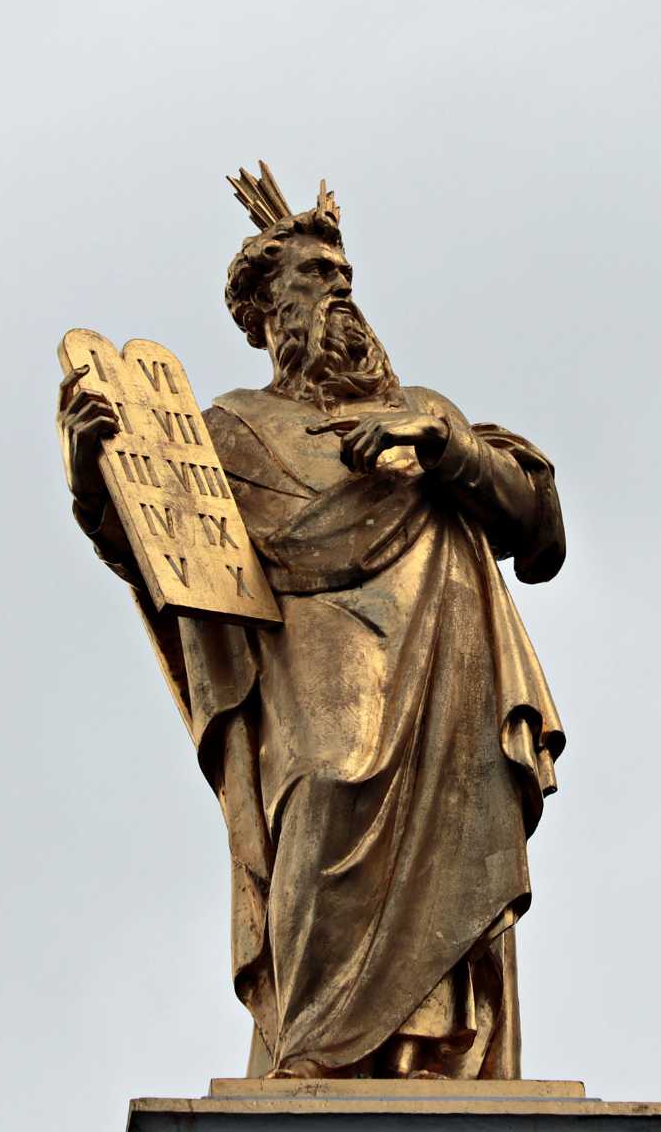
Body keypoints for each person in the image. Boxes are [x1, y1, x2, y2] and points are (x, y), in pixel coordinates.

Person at [56, 164, 566, 1079]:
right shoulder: (231, 428)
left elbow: (536, 526)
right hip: (305, 661)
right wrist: (93, 474)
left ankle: (432, 1056)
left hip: (446, 659)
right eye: (314, 274)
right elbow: (158, 552)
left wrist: (443, 451)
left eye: (344, 273)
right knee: (325, 796)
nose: (339, 287)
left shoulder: (423, 412)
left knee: (460, 834)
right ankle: (315, 1057)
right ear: (265, 312)